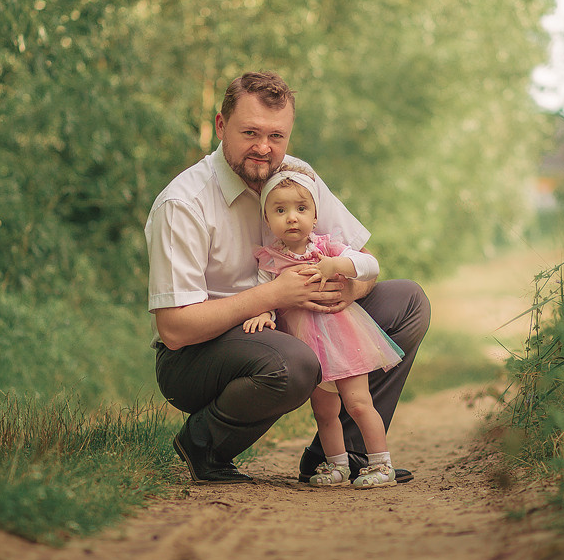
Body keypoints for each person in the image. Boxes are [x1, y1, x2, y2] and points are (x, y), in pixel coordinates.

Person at [144, 70, 430, 484]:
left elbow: (362, 257)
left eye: (277, 136)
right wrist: (275, 295)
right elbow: (174, 329)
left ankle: (342, 457)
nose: (264, 148)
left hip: (296, 323)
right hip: (201, 354)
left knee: (408, 302)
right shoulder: (183, 203)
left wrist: (350, 287)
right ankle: (206, 446)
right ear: (221, 127)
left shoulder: (297, 178)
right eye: (251, 133)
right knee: (297, 362)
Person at [243, 165, 404, 488]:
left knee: (358, 403)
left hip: (343, 338)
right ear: (267, 219)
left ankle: (381, 463)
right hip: (307, 347)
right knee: (325, 412)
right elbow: (263, 298)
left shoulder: (326, 248)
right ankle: (337, 465)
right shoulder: (269, 261)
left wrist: (339, 265)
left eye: (301, 209)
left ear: (315, 216)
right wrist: (264, 314)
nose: (292, 217)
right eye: (280, 210)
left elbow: (370, 265)